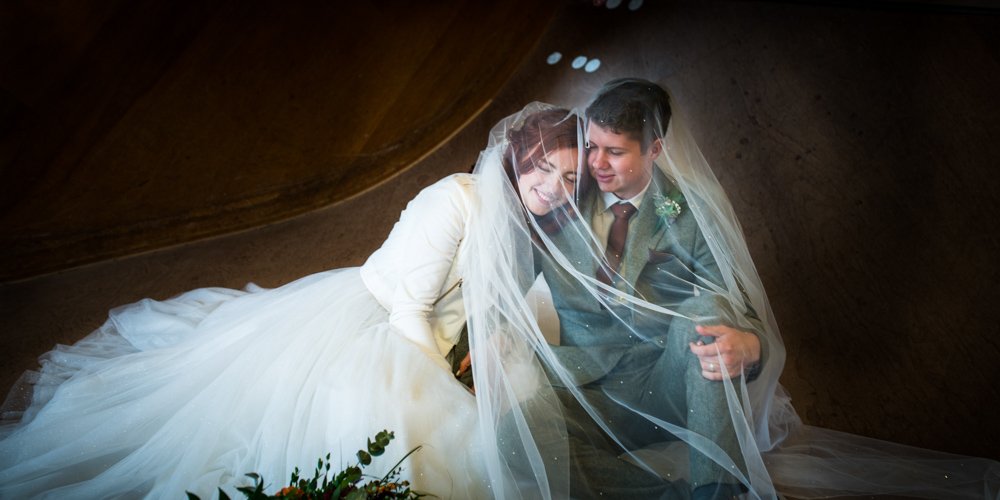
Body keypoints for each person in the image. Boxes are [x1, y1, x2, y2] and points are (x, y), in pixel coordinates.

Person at [0, 104, 584, 499]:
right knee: (427, 438)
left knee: (517, 399)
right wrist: (452, 395)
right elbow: (409, 313)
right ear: (519, 157)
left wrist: (484, 347)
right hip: (382, 325)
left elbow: (488, 305)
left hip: (436, 332)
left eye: (566, 177)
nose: (551, 186)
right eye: (543, 168)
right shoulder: (457, 200)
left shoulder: (525, 221)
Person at [461, 78, 1000, 499]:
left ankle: (717, 490)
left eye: (615, 152)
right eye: (592, 147)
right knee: (513, 439)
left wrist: (754, 346)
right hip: (594, 389)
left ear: (655, 150)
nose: (595, 165)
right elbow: (501, 279)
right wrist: (485, 336)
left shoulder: (691, 210)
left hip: (674, 380)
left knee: (709, 309)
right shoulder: (562, 194)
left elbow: (736, 306)